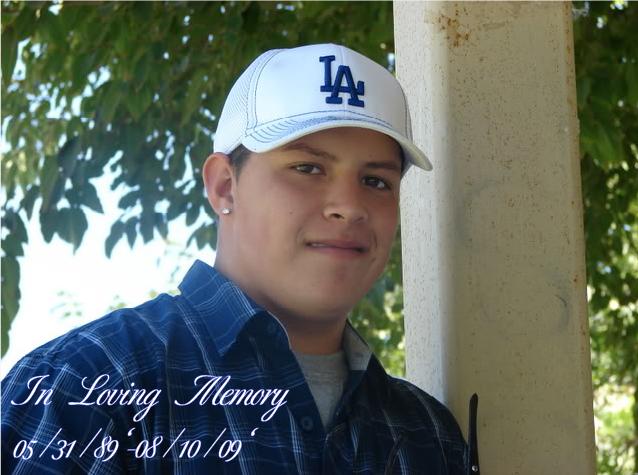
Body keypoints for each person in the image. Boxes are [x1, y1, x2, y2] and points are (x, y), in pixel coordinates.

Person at [2, 43, 475, 474]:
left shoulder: (427, 433)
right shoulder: (85, 385)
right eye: (307, 168)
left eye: (376, 181)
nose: (349, 206)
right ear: (225, 186)